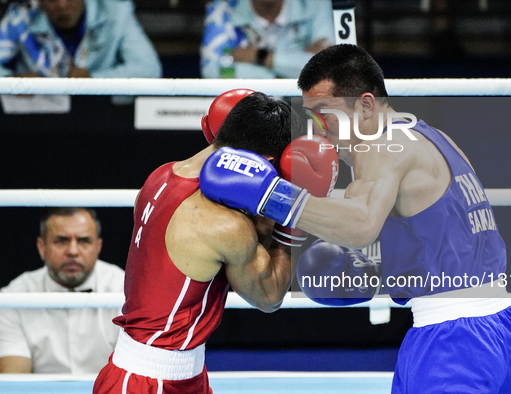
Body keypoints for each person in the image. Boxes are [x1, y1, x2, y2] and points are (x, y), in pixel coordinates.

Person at [201, 44, 511, 393]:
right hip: (501, 324)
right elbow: (448, 236)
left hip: (453, 339)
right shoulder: (431, 137)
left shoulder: (381, 148)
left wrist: (270, 195)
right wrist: (376, 268)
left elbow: (360, 224)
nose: (319, 131)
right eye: (311, 118)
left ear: (366, 105)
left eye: (325, 115)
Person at [92, 91, 337, 393]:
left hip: (175, 371)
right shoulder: (223, 224)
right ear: (269, 163)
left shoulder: (160, 175)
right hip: (148, 383)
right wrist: (293, 215)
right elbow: (270, 295)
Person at [0, 207, 124, 374]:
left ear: (98, 247)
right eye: (61, 240)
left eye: (84, 241)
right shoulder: (12, 297)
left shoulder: (125, 291)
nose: (72, 251)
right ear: (41, 247)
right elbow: (14, 380)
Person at [0, 0, 161, 78]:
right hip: (36, 119)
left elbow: (149, 69)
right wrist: (12, 81)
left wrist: (94, 79)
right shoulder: (20, 16)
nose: (62, 5)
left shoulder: (116, 11)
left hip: (99, 116)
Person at [200, 0, 334, 79]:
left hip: (305, 106)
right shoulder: (223, 8)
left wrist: (260, 57)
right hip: (249, 107)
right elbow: (213, 71)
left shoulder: (316, 3)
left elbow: (329, 67)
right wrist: (284, 77)